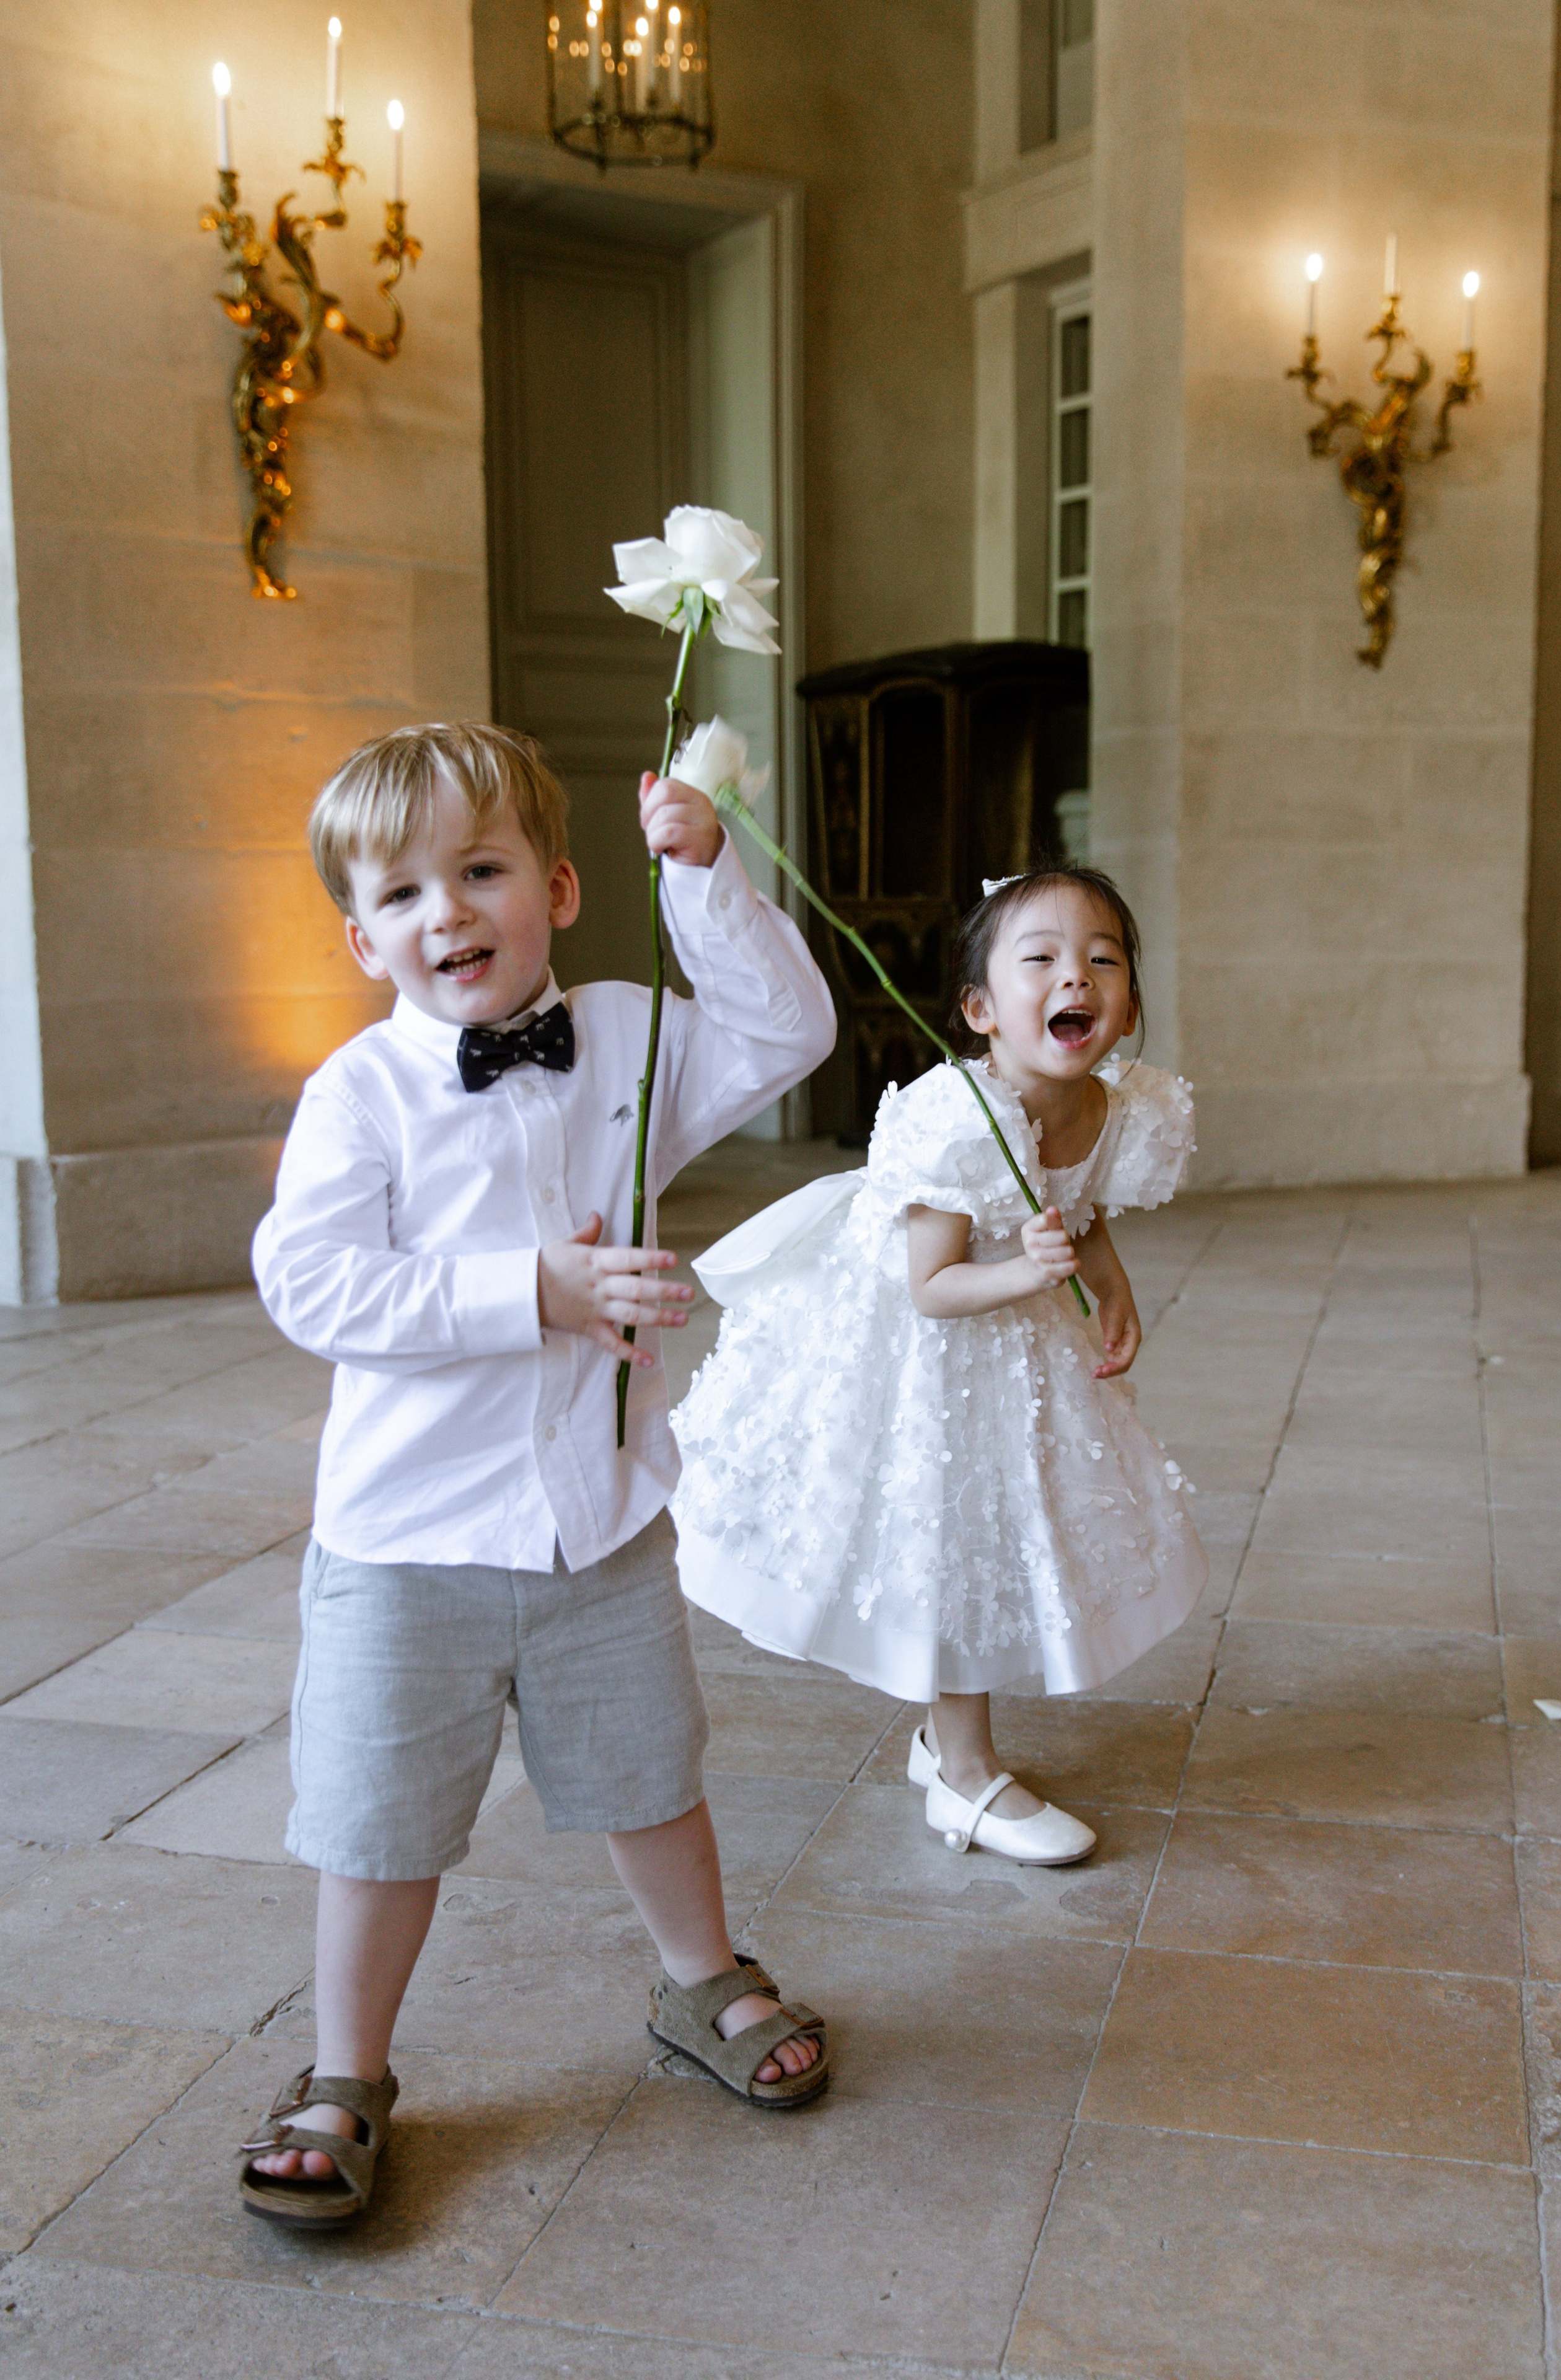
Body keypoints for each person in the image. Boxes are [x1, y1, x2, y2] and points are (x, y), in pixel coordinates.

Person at [241, 722, 838, 2229]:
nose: (447, 912)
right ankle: (344, 2072)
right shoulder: (360, 1093)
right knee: (379, 1824)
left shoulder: (633, 1041)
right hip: (405, 1547)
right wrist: (533, 1296)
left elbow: (786, 1037)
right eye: (404, 893)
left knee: (651, 1774)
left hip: (601, 1525)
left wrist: (705, 878)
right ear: (359, 934)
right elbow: (313, 1288)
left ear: (560, 888)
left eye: (482, 870)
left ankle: (701, 1982)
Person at [673, 865, 1207, 1866]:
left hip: (1011, 1332)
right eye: (1040, 959)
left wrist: (1104, 1273)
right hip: (923, 1340)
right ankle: (961, 1775)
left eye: (1103, 960)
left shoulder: (1116, 1107)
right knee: (957, 1533)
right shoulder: (962, 1119)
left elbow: (1076, 1203)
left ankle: (943, 1744)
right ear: (982, 1010)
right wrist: (1027, 1276)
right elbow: (933, 1287)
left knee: (1011, 1526)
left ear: (1130, 1003)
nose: (1074, 979)